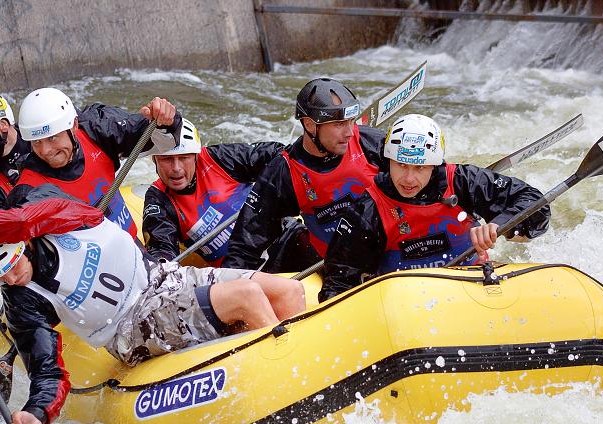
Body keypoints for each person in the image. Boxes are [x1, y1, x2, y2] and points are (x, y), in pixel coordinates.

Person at [0, 188, 306, 424]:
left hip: (165, 276)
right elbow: (48, 374)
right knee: (248, 296)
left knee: (291, 292)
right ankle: (291, 394)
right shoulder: (24, 303)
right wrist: (35, 415)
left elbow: (17, 218)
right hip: (132, 327)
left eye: (10, 262)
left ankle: (306, 374)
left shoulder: (61, 216)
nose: (9, 275)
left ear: (24, 242)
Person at [319, 114, 551, 302]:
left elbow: (534, 203)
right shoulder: (367, 209)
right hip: (405, 302)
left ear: (434, 165)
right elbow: (339, 282)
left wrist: (500, 225)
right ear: (388, 160)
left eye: (420, 168)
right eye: (401, 165)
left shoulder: (463, 181)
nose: (408, 179)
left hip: (472, 288)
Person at [223, 78, 388, 270]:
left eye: (351, 121)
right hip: (335, 270)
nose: (350, 132)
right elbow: (247, 244)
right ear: (310, 125)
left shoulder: (372, 144)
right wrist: (229, 287)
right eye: (339, 124)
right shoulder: (285, 171)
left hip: (386, 256)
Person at [7, 87, 182, 240]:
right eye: (37, 142)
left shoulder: (96, 128)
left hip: (134, 247)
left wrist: (166, 121)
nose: (45, 150)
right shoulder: (28, 193)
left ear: (74, 126)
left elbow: (161, 141)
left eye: (52, 138)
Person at [143, 118, 289, 266]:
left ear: (195, 156)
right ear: (155, 160)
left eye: (184, 157)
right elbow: (161, 247)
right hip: (239, 269)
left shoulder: (217, 158)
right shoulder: (157, 199)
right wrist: (161, 263)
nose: (176, 168)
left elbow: (276, 154)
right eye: (166, 159)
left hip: (282, 237)